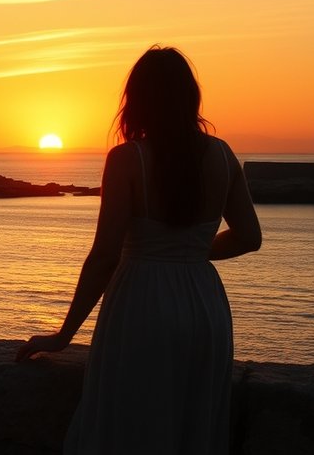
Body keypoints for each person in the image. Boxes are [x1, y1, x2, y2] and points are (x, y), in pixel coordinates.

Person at [16, 46, 262, 454]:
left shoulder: (128, 160)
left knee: (130, 425)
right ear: (190, 97)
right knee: (190, 428)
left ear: (138, 100)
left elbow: (105, 257)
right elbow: (249, 237)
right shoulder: (222, 155)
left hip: (141, 306)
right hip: (205, 307)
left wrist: (63, 335)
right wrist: (192, 253)